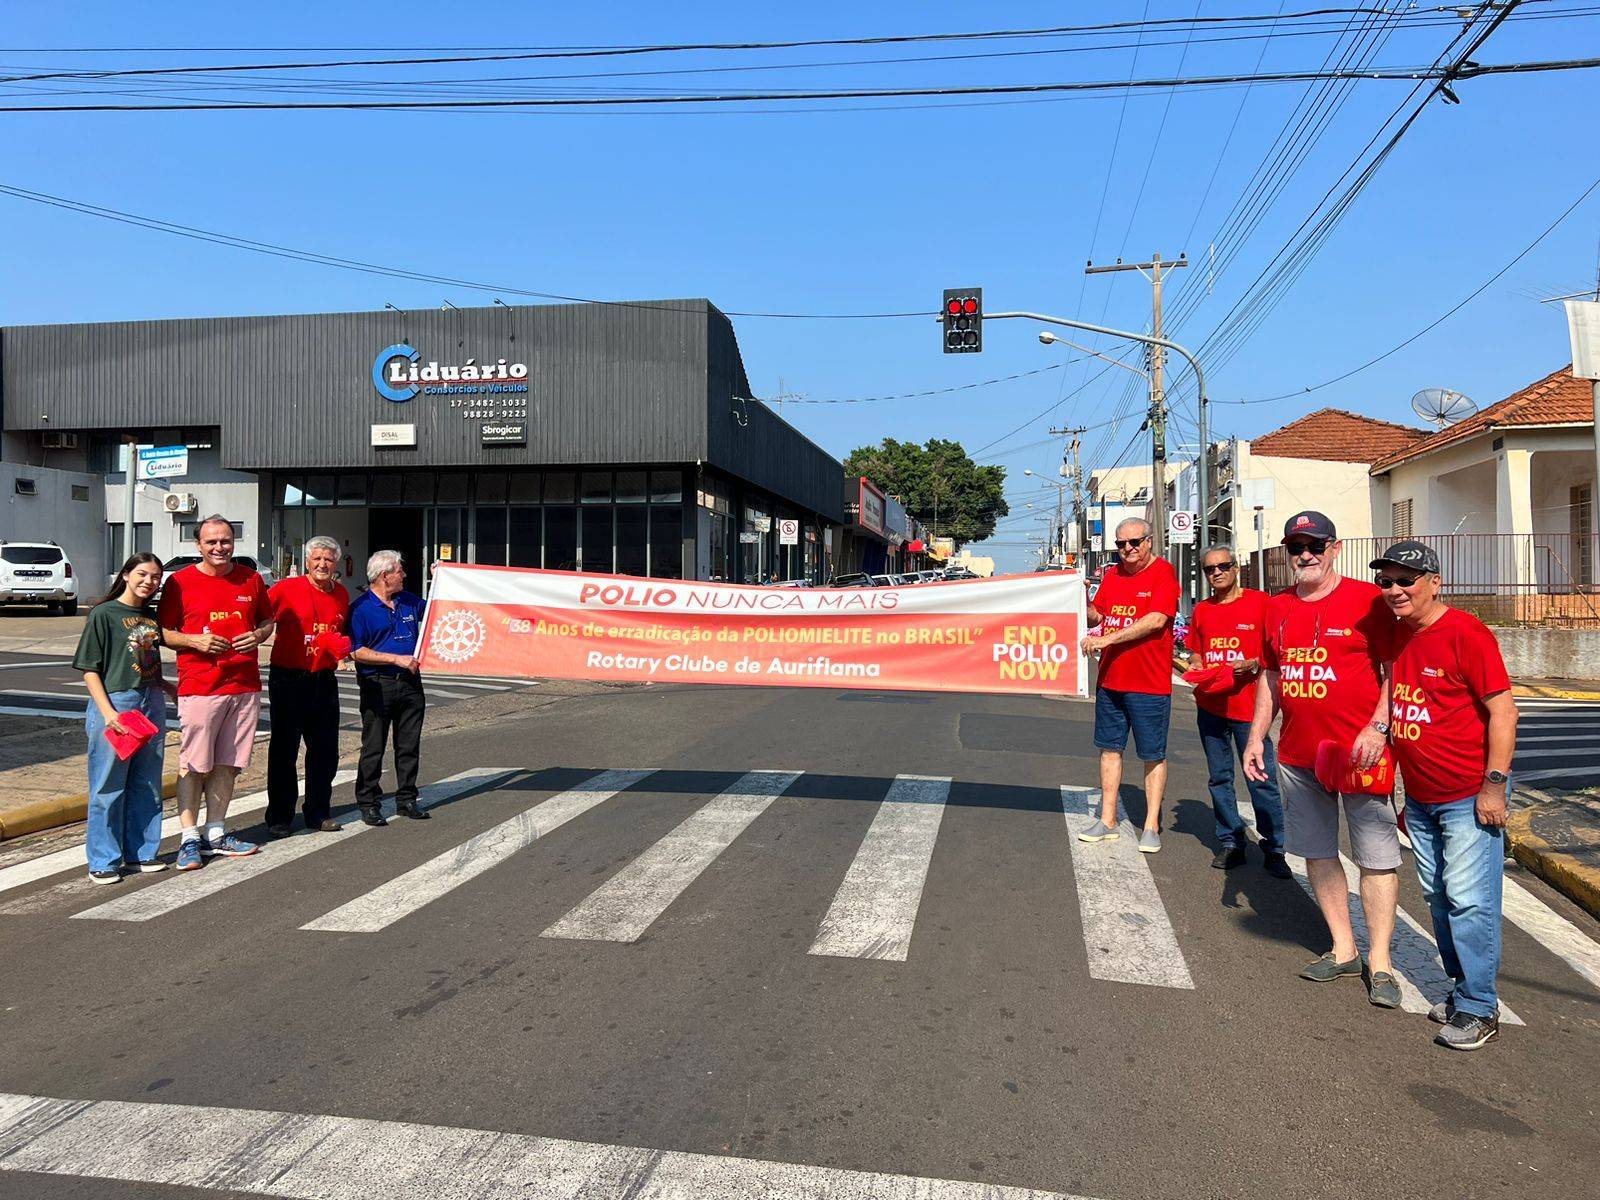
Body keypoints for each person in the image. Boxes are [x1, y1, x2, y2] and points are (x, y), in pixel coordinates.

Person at [1244, 511, 1401, 1007]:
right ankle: (1342, 947)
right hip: (1298, 754)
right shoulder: (1277, 607)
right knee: (1316, 851)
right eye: (1296, 547)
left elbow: (1396, 670)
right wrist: (1256, 738)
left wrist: (1379, 726)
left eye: (1315, 545)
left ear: (1333, 548)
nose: (1305, 555)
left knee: (1375, 858)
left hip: (1361, 755)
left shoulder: (1367, 600)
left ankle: (1380, 962)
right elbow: (1270, 677)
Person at [1376, 539, 1516, 1051]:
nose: (1394, 590)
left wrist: (1494, 787)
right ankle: (1463, 992)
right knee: (1439, 899)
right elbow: (1399, 696)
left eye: (1405, 579)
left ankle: (1481, 1007)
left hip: (1468, 796)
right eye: (1385, 581)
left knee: (1470, 902)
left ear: (1435, 581)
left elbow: (1504, 712)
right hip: (1422, 798)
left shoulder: (1466, 633)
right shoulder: (1400, 632)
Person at [156, 515, 273, 870]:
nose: (219, 548)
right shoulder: (180, 582)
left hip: (244, 685)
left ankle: (216, 832)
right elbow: (162, 631)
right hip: (200, 686)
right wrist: (195, 640)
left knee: (228, 764)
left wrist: (258, 635)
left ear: (234, 541)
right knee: (194, 764)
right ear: (198, 546)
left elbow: (267, 621)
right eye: (211, 542)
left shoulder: (251, 580)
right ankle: (189, 838)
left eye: (225, 541)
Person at [1078, 517, 1180, 853]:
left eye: (1134, 542)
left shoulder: (1163, 573)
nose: (1127, 550)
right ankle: (1107, 819)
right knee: (1109, 749)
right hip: (1111, 680)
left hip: (1148, 683)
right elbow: (1098, 614)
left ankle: (1151, 824)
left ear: (1149, 541)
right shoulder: (1112, 575)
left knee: (1152, 754)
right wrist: (1078, 599)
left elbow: (1156, 620)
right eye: (1121, 544)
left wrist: (1107, 640)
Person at [1189, 544, 1291, 879]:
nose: (1216, 573)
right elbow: (1196, 654)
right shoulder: (1202, 610)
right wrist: (1194, 668)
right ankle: (1231, 840)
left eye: (1222, 566)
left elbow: (1277, 651)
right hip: (1212, 706)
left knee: (1260, 779)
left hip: (1250, 710)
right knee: (1220, 778)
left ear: (1235, 568)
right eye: (1209, 569)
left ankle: (1274, 846)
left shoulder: (1261, 603)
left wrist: (1254, 664)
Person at [73, 553, 175, 884]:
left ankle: (141, 853)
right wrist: (108, 714)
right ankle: (103, 859)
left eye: (156, 577)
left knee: (146, 782)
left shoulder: (149, 616)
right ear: (127, 575)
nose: (150, 582)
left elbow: (143, 659)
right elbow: (90, 671)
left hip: (150, 700)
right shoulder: (104, 614)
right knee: (108, 784)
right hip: (118, 702)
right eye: (143, 574)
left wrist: (163, 685)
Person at [264, 535, 351, 837]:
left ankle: (318, 812)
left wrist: (342, 647)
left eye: (328, 559)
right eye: (317, 559)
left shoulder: (340, 594)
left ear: (336, 563)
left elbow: (342, 632)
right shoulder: (284, 589)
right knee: (284, 749)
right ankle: (279, 816)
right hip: (288, 677)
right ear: (307, 561)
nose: (322, 564)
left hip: (323, 679)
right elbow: (262, 619)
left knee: (325, 750)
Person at [349, 550, 429, 826]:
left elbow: (437, 612)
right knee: (373, 746)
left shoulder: (408, 601)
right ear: (385, 575)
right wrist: (395, 658)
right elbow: (357, 651)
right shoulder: (361, 609)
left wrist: (439, 578)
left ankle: (407, 798)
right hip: (377, 684)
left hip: (410, 683)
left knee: (408, 745)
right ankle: (369, 802)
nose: (404, 576)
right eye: (400, 571)